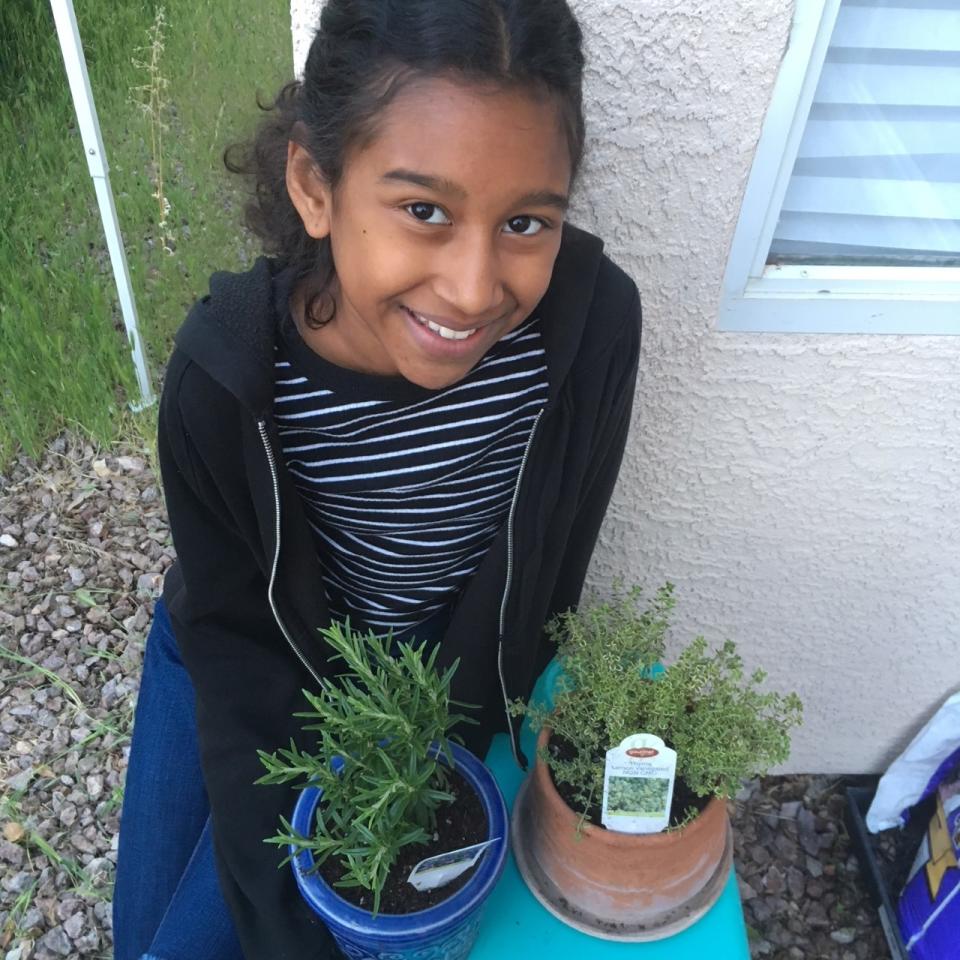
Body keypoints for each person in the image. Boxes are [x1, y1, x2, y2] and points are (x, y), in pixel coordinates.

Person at [112, 0, 642, 958]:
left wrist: (439, 749)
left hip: (425, 687)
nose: (475, 288)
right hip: (243, 659)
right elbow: (244, 671)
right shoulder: (225, 386)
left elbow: (546, 572)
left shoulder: (588, 335)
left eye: (525, 220)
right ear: (316, 186)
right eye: (424, 211)